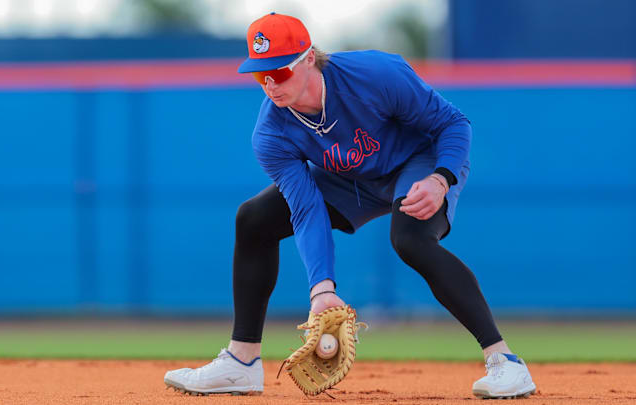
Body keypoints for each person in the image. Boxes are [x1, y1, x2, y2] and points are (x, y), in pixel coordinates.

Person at [164, 12, 536, 399]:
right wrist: (322, 290)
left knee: (410, 239)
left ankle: (504, 361)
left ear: (309, 58)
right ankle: (241, 363)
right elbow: (306, 208)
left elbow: (453, 124)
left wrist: (441, 179)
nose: (271, 84)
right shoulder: (271, 134)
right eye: (261, 75)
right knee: (254, 218)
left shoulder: (376, 74)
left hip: (418, 163)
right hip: (350, 181)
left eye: (280, 71)